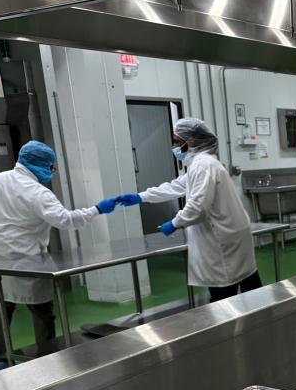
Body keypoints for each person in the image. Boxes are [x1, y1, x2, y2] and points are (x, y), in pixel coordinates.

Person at [0, 141, 121, 372]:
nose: (51, 172)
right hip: (24, 255)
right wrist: (97, 209)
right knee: (41, 310)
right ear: (41, 165)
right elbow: (66, 220)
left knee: (0, 305)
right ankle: (46, 357)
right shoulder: (37, 192)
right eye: (51, 167)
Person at [108, 118, 261, 302]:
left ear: (191, 141)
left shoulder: (203, 166)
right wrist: (141, 196)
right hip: (230, 234)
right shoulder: (203, 164)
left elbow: (198, 208)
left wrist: (174, 223)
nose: (173, 146)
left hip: (223, 239)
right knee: (248, 286)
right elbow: (176, 187)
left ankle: (230, 327)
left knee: (225, 295)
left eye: (177, 141)